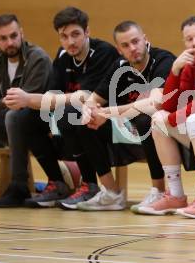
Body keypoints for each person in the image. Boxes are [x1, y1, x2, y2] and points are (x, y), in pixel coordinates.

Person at [4, 7, 120, 208]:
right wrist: (30, 103)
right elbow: (52, 94)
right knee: (23, 118)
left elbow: (85, 98)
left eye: (76, 34)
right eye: (64, 36)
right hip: (72, 120)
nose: (70, 42)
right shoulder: (63, 55)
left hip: (108, 121)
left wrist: (29, 97)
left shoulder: (103, 52)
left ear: (87, 32)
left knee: (70, 112)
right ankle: (57, 182)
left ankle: (90, 185)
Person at [73, 20, 176, 211]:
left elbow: (154, 104)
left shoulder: (163, 60)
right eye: (126, 45)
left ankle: (159, 191)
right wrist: (90, 112)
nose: (133, 48)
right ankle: (111, 192)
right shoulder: (119, 67)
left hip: (167, 127)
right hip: (128, 128)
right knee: (84, 121)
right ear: (119, 50)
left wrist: (107, 113)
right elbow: (93, 99)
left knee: (146, 119)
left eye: (136, 41)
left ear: (145, 40)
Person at [139, 16, 195, 219]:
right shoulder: (190, 62)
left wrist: (173, 119)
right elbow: (169, 105)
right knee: (158, 118)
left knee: (190, 119)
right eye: (189, 39)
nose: (194, 43)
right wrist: (175, 71)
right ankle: (175, 194)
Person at [0, 14, 52, 207]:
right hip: (8, 121)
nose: (10, 42)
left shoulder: (37, 57)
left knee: (15, 116)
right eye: (3, 38)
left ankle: (19, 186)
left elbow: (24, 104)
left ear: (22, 33)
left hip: (39, 123)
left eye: (14, 36)